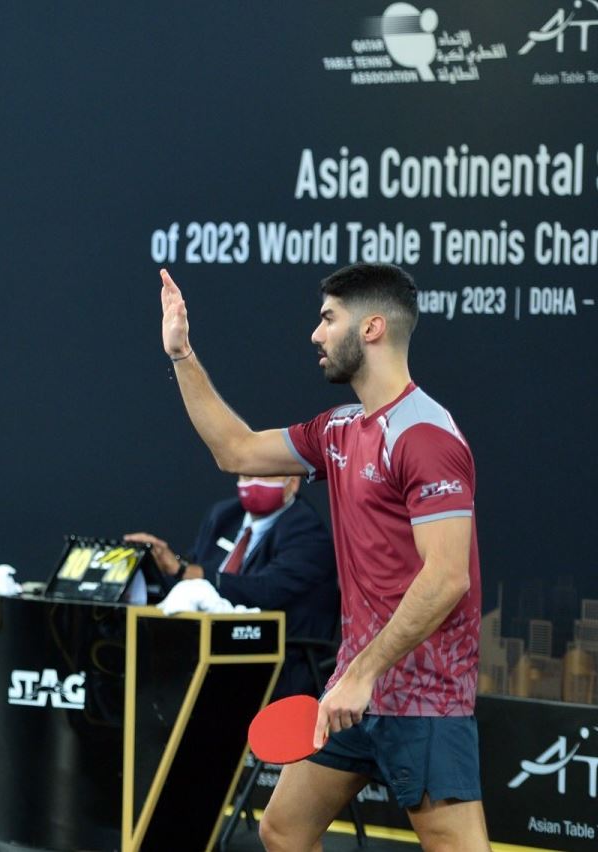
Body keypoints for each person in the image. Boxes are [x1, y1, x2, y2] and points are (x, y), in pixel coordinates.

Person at [158, 263, 487, 851]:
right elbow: (235, 450)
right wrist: (182, 354)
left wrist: (362, 673)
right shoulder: (336, 430)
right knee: (282, 830)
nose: (315, 333)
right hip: (350, 696)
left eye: (328, 318)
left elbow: (446, 579)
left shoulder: (426, 436)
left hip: (423, 696)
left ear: (372, 328)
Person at [125, 474, 339, 699]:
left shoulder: (308, 532)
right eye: (247, 475)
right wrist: (154, 565)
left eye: (263, 475)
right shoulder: (224, 515)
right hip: (206, 650)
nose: (252, 482)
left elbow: (264, 592)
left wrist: (184, 570)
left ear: (292, 483)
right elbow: (191, 576)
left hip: (277, 662)